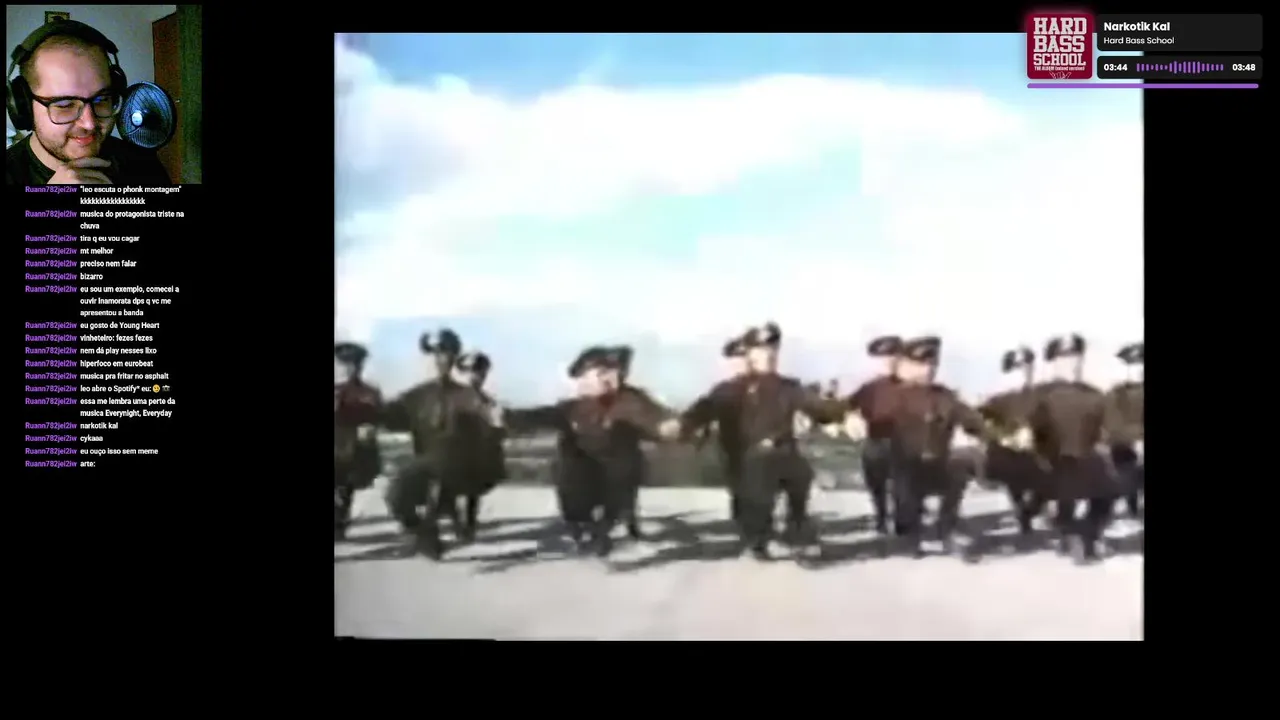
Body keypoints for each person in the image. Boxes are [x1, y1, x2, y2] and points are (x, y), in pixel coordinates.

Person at [682, 322, 845, 560]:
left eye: (772, 350)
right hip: (745, 460)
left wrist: (842, 411)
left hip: (782, 455)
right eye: (760, 350)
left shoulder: (789, 387)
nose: (768, 356)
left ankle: (795, 527)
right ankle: (758, 538)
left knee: (800, 474)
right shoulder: (729, 390)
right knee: (751, 500)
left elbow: (817, 407)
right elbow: (700, 412)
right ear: (749, 355)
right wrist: (680, 427)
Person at [505, 346, 681, 557]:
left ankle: (607, 526)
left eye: (615, 372)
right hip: (581, 477)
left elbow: (658, 420)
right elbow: (539, 416)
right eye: (602, 373)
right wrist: (508, 417)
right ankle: (583, 527)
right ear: (585, 378)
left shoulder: (632, 400)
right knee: (569, 464)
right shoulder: (574, 407)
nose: (610, 378)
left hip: (616, 476)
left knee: (623, 463)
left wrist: (671, 427)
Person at [6, 19, 170, 185]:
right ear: (24, 107)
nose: (89, 124)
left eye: (101, 99)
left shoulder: (143, 165)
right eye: (65, 105)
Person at [887, 336, 998, 558]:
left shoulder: (945, 397)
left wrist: (992, 436)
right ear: (907, 366)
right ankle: (911, 533)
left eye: (933, 364)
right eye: (922, 364)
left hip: (938, 464)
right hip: (907, 467)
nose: (928, 370)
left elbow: (971, 420)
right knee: (905, 485)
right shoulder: (894, 397)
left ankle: (946, 527)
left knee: (960, 467)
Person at [843, 335, 907, 535]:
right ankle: (881, 517)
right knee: (876, 483)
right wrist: (851, 419)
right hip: (875, 441)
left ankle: (901, 521)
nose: (889, 362)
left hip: (902, 443)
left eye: (894, 357)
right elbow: (846, 407)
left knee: (901, 486)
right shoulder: (869, 389)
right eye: (885, 358)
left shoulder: (909, 386)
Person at [333, 341, 383, 541]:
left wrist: (370, 427)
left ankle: (339, 522)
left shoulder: (369, 392)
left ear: (360, 366)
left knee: (345, 489)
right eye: (345, 364)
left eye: (354, 364)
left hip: (355, 450)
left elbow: (378, 417)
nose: (350, 369)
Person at [1107, 342, 1144, 518]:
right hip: (1125, 448)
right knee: (1126, 468)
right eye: (1133, 364)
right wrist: (1136, 440)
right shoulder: (1117, 394)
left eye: (1141, 363)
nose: (1139, 369)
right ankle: (1131, 504)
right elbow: (1112, 423)